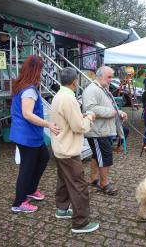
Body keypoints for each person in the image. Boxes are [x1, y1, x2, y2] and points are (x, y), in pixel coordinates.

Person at [50, 67, 99, 234]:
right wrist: (90, 117)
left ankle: (62, 209)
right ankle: (81, 223)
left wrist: (81, 116)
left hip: (59, 147)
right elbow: (79, 127)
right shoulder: (69, 99)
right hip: (68, 150)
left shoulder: (58, 95)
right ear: (74, 82)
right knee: (79, 186)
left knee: (64, 180)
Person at [10, 55, 60, 213]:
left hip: (30, 135)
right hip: (26, 136)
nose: (42, 72)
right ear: (35, 70)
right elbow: (27, 114)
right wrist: (48, 124)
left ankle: (31, 189)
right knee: (27, 168)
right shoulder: (29, 90)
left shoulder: (23, 85)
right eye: (41, 69)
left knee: (43, 157)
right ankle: (19, 203)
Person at [82, 66, 127, 196]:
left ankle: (93, 178)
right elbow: (90, 109)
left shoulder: (103, 89)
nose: (111, 80)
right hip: (97, 131)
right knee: (105, 157)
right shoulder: (91, 90)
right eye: (109, 77)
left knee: (97, 155)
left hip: (103, 130)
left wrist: (119, 112)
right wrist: (112, 112)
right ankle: (104, 183)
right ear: (100, 76)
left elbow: (110, 107)